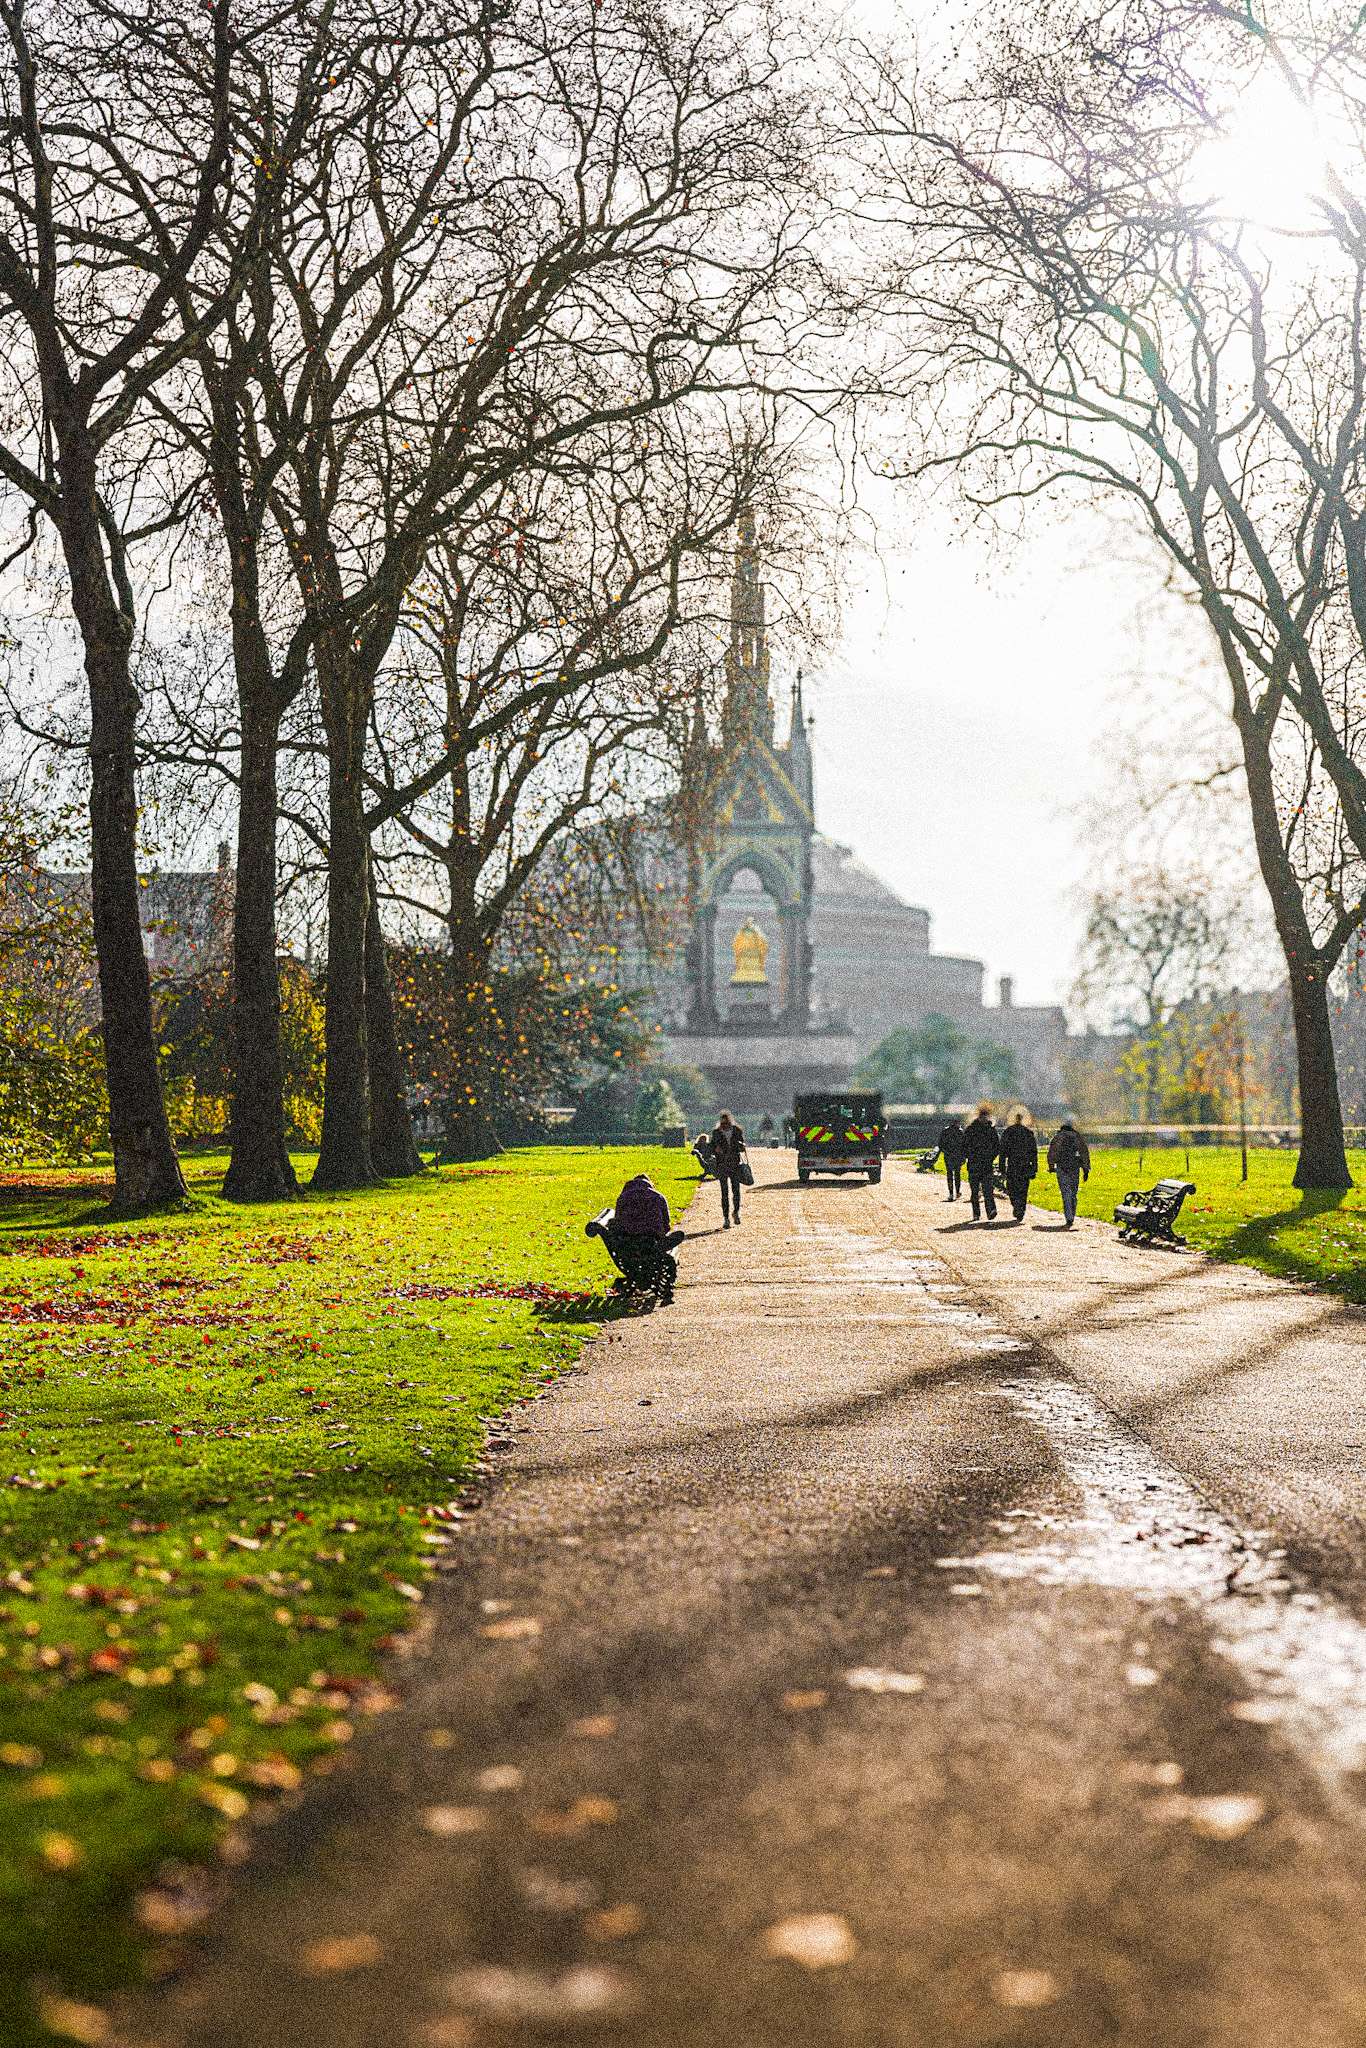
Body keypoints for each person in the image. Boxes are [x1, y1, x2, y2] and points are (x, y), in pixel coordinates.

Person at [611, 1172, 677, 1300]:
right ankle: (665, 1245)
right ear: (649, 1184)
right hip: (653, 1243)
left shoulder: (623, 1197)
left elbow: (618, 1222)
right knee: (675, 1237)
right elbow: (666, 1225)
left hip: (629, 1245)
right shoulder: (658, 1196)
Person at [1047, 1120, 1092, 1228]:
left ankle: (1069, 1216)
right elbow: (1084, 1153)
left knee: (1065, 1192)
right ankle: (1072, 1214)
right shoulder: (1077, 1137)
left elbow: (1052, 1152)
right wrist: (1086, 1169)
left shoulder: (1059, 1137)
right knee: (1073, 1193)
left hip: (1062, 1167)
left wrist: (1051, 1166)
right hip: (1074, 1168)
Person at [962, 1102, 1000, 1221]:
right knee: (975, 1191)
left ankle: (990, 1210)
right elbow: (964, 1146)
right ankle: (977, 1212)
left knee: (987, 1189)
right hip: (976, 1163)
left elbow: (996, 1147)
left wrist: (990, 1157)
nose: (984, 1118)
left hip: (983, 1164)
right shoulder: (973, 1130)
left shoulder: (987, 1130)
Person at [999, 1109, 1038, 1222]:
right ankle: (1020, 1209)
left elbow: (1002, 1151)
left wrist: (1002, 1166)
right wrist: (1034, 1167)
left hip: (1013, 1164)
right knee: (1023, 1189)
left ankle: (1017, 1206)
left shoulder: (1008, 1132)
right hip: (1025, 1165)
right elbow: (1033, 1152)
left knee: (1012, 1187)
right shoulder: (1028, 1133)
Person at [710, 1109, 746, 1228]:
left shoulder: (736, 1130)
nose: (725, 1125)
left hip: (734, 1164)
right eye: (723, 1123)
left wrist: (740, 1146)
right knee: (724, 1192)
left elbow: (742, 1145)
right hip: (722, 1164)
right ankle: (726, 1217)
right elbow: (711, 1147)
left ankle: (736, 1211)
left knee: (736, 1191)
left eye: (727, 1123)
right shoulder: (716, 1132)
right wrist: (716, 1149)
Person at [936, 1114, 966, 1201]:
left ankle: (951, 1193)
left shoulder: (946, 1131)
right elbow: (964, 1145)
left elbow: (940, 1144)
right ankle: (957, 1192)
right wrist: (963, 1155)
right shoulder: (960, 1132)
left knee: (950, 1175)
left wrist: (946, 1152)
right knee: (957, 1174)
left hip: (949, 1155)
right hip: (957, 1156)